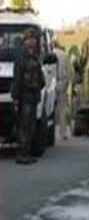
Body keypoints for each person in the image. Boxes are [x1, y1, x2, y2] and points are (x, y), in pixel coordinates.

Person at [10, 28, 45, 164]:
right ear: (25, 41)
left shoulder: (34, 56)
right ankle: (21, 154)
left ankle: (27, 153)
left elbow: (40, 75)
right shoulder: (21, 57)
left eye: (34, 39)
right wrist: (15, 97)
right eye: (30, 39)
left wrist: (40, 86)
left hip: (33, 95)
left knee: (31, 126)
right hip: (24, 96)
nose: (32, 41)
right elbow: (17, 78)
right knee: (24, 126)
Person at [53, 40, 71, 140]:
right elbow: (69, 72)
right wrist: (66, 84)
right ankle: (63, 133)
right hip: (62, 82)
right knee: (62, 109)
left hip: (49, 82)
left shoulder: (48, 53)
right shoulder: (64, 55)